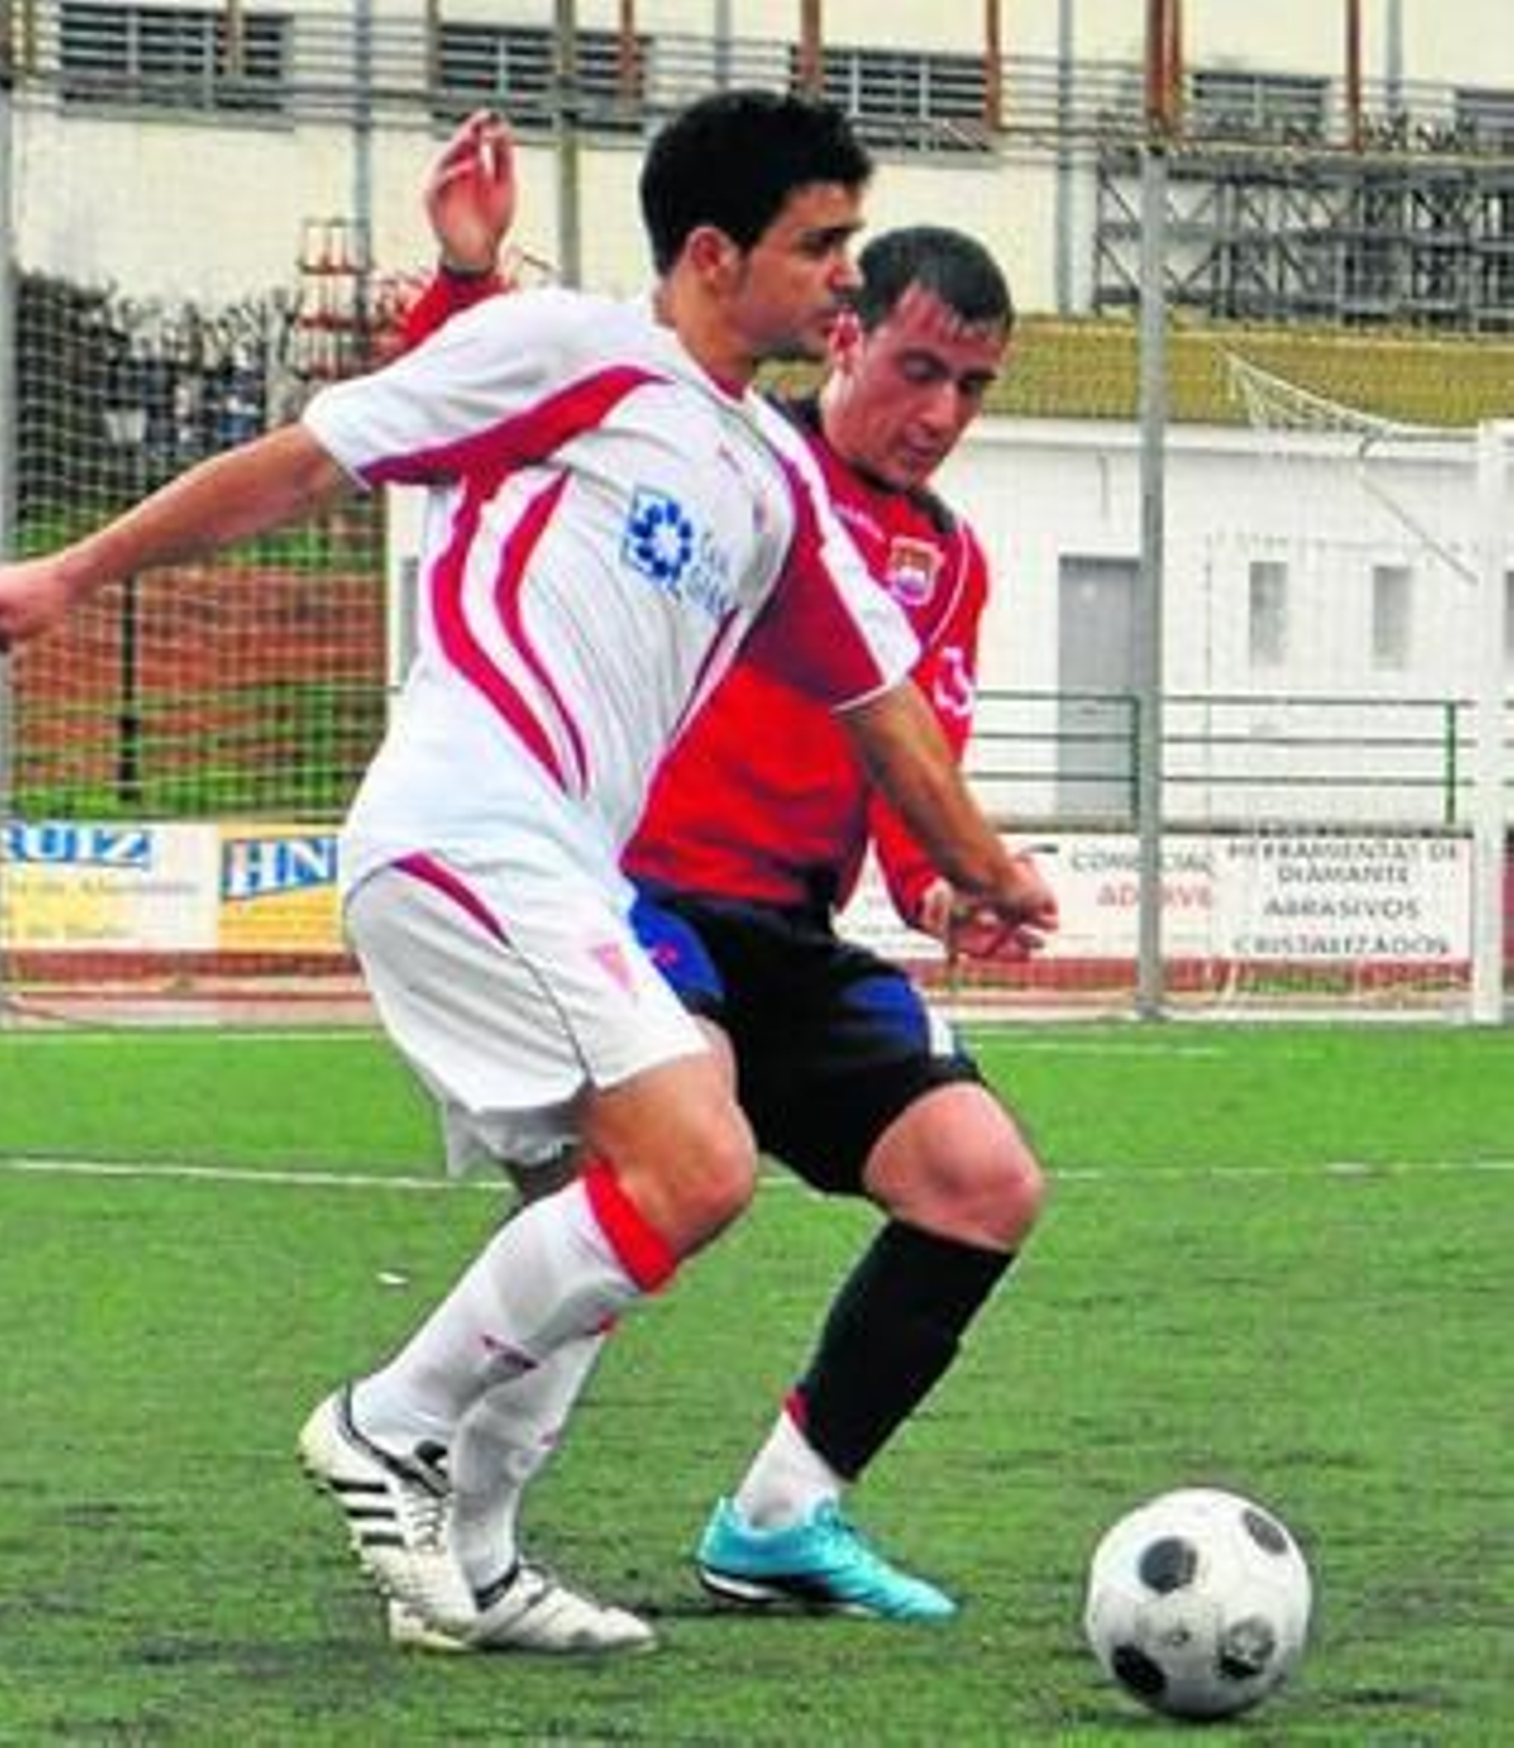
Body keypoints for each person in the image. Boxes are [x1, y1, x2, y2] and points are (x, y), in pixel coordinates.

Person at [0, 90, 1056, 1656]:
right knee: (699, 1162)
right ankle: (384, 1424)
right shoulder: (575, 350)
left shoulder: (773, 486)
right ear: (718, 254)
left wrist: (986, 874)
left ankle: (471, 1564)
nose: (842, 284)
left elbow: (889, 722)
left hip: (560, 874)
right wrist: (69, 571)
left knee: (594, 1200)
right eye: (824, 250)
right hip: (468, 829)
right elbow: (310, 462)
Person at [390, 113, 1048, 1636]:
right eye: (917, 368)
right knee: (668, 1157)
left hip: (787, 928)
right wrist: (460, 278)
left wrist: (946, 888)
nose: (940, 413)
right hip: (630, 899)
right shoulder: (720, 450)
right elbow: (473, 422)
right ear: (846, 331)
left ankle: (780, 1518)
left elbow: (908, 761)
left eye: (974, 389)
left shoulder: (946, 562)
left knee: (984, 1183)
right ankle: (451, 1511)